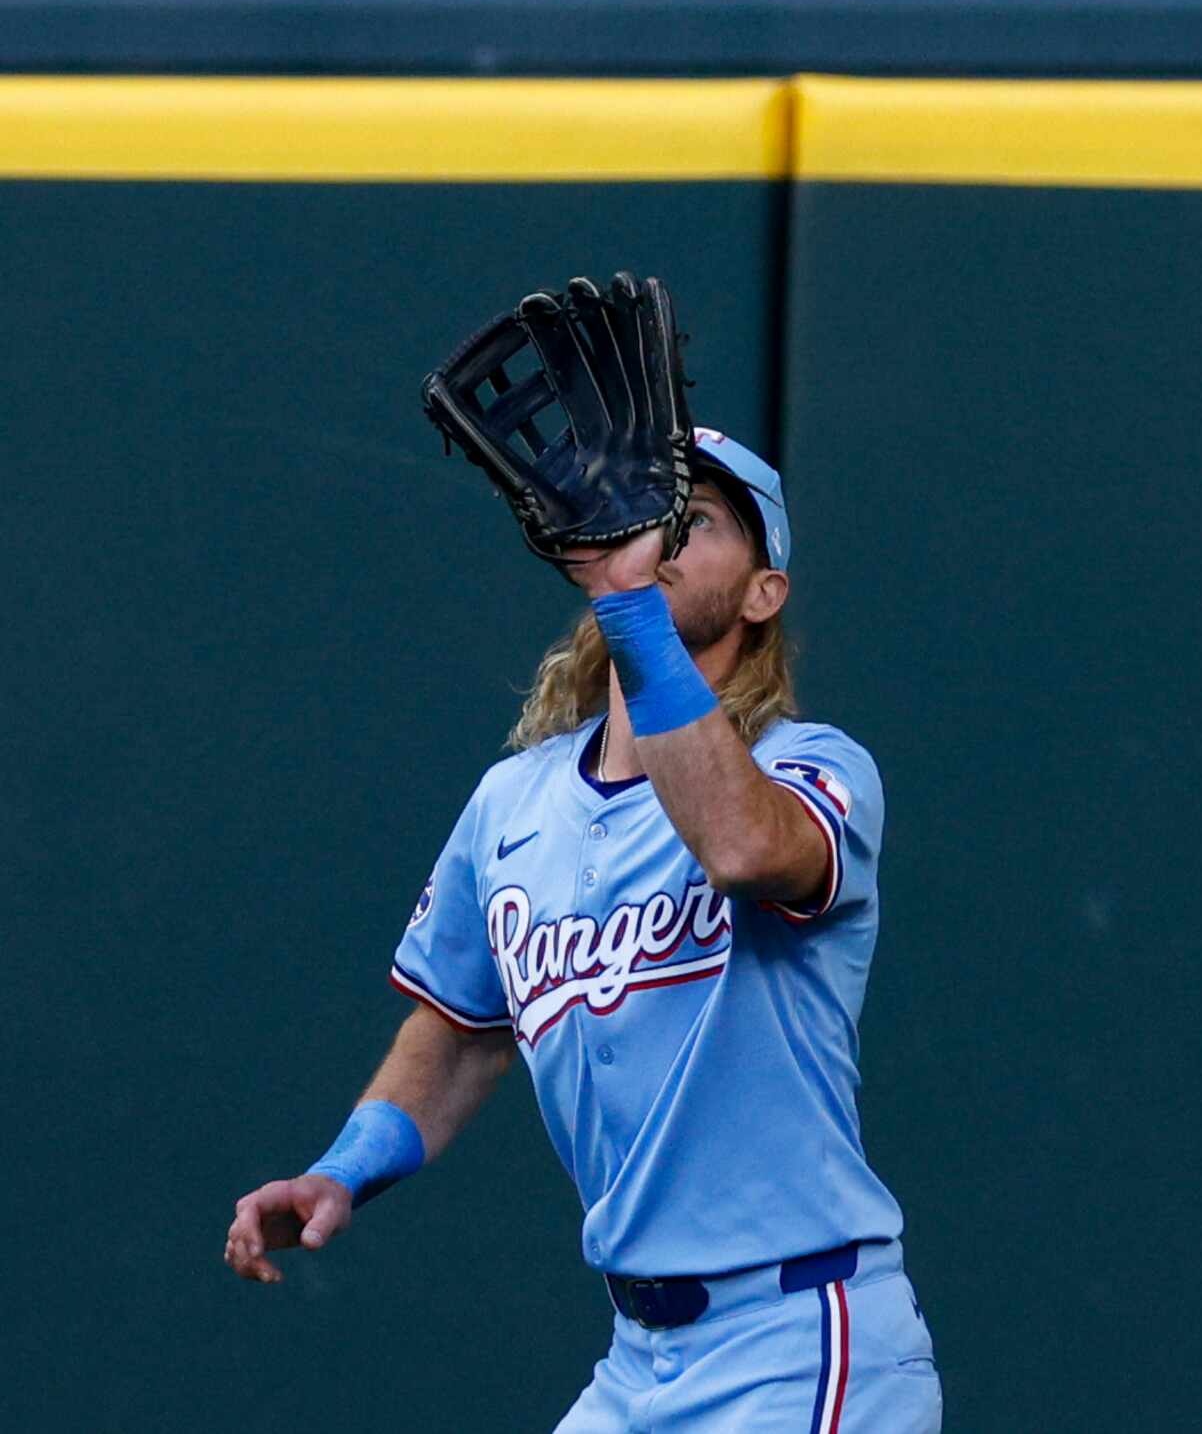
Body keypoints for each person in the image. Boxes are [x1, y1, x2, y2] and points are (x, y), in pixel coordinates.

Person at [224, 429, 943, 1431]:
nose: (656, 539)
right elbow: (463, 1035)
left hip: (802, 1341)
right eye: (645, 513)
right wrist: (340, 1169)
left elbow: (738, 846)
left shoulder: (812, 768)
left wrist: (628, 605)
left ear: (761, 593)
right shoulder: (511, 803)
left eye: (691, 521)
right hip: (637, 1361)